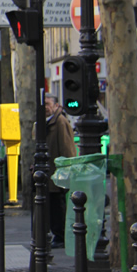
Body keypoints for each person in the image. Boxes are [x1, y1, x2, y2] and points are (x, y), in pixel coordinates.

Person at [46, 95, 77, 248]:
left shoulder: (59, 122)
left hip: (57, 172)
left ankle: (61, 236)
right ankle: (57, 234)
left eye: (48, 104)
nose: (46, 107)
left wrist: (67, 169)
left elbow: (67, 147)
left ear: (56, 105)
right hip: (50, 172)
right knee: (52, 205)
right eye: (44, 104)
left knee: (57, 205)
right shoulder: (48, 121)